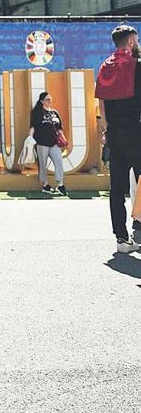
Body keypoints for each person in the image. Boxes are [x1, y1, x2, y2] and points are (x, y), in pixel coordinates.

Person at [96, 24, 141, 254]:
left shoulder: (105, 66)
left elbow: (101, 100)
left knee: (117, 188)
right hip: (137, 129)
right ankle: (139, 227)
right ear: (131, 42)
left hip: (115, 133)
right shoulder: (137, 65)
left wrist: (105, 128)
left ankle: (121, 239)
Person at [28, 92, 67, 196]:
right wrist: (30, 137)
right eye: (47, 100)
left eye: (50, 99)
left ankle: (60, 184)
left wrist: (64, 139)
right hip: (41, 142)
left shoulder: (54, 112)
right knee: (43, 164)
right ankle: (45, 184)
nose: (49, 101)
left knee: (59, 162)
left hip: (54, 142)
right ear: (42, 101)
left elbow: (59, 128)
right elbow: (33, 126)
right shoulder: (37, 112)